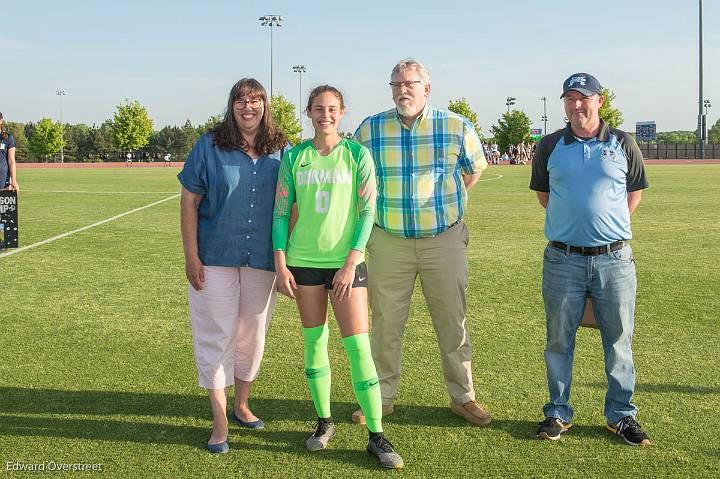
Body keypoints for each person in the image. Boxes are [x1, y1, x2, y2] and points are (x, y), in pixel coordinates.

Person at [352, 59, 491, 426]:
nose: (402, 91)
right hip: (389, 242)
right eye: (396, 84)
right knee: (385, 324)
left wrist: (448, 202)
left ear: (426, 88)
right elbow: (356, 179)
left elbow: (474, 169)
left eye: (409, 84)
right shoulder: (370, 129)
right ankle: (380, 398)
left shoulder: (456, 126)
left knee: (452, 322)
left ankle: (463, 397)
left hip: (443, 241)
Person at [273, 85, 404, 469]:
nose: (325, 115)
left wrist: (352, 260)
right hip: (303, 263)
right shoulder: (295, 157)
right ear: (309, 113)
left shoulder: (357, 155)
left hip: (347, 265)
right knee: (314, 343)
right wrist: (281, 263)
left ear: (342, 112)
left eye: (332, 108)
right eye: (318, 108)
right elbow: (281, 213)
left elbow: (367, 212)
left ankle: (377, 436)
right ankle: (324, 422)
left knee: (358, 348)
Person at [530, 72, 651, 446]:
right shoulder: (550, 146)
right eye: (570, 98)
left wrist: (605, 229)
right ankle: (558, 412)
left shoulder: (622, 142)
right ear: (564, 104)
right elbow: (545, 196)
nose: (576, 104)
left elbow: (633, 194)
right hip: (563, 259)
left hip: (614, 260)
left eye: (584, 97)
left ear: (600, 101)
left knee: (618, 340)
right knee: (558, 340)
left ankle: (620, 415)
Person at [178, 78, 288, 454]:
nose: (248, 106)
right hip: (215, 258)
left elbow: (291, 207)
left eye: (255, 100)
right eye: (240, 100)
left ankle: (242, 404)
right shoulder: (208, 145)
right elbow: (189, 202)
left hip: (263, 260)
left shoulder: (282, 149)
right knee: (216, 335)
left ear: (264, 106)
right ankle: (220, 418)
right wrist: (191, 257)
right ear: (231, 106)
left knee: (252, 336)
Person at [0, 112, 19, 192]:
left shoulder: (8, 137)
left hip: (3, 180)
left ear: (1, 120)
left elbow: (11, 160)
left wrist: (14, 180)